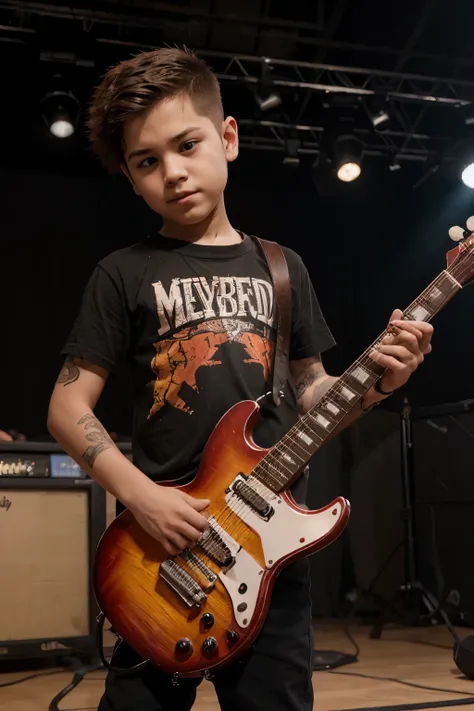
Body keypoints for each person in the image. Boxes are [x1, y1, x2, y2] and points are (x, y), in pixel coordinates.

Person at [47, 47, 434, 711]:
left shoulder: (285, 269)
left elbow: (314, 395)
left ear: (227, 138)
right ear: (132, 178)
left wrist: (377, 384)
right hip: (162, 557)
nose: (172, 172)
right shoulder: (124, 272)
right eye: (146, 161)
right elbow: (65, 405)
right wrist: (142, 497)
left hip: (270, 565)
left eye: (186, 144)